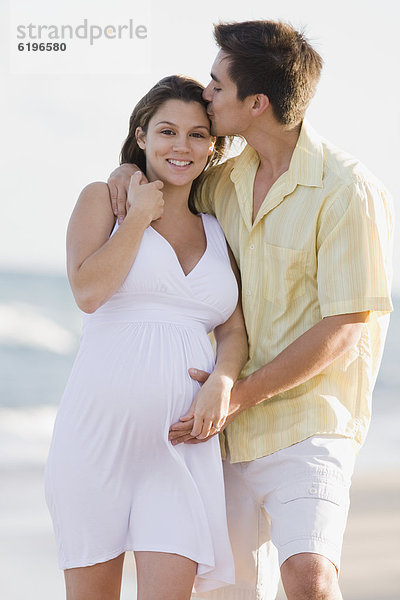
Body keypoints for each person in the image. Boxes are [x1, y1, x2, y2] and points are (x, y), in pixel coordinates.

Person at [108, 21, 394, 600]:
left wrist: (237, 393)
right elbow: (169, 183)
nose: (206, 94)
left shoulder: (345, 188)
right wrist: (126, 170)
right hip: (223, 435)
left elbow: (346, 326)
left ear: (256, 102)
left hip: (307, 422)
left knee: (308, 577)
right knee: (231, 593)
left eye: (216, 86)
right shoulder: (223, 181)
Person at [44, 75, 249, 600]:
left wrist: (223, 381)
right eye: (167, 131)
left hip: (179, 449)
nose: (181, 146)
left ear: (213, 145)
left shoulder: (218, 226)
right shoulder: (102, 201)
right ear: (141, 136)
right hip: (96, 443)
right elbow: (88, 292)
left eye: (198, 134)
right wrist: (138, 217)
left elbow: (232, 329)